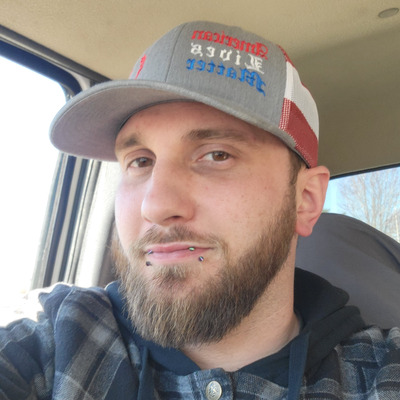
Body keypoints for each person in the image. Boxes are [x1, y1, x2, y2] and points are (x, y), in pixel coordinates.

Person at [1, 21, 399, 400]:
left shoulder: (380, 375)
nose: (156, 206)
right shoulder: (60, 348)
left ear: (306, 199)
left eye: (217, 155)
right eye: (140, 161)